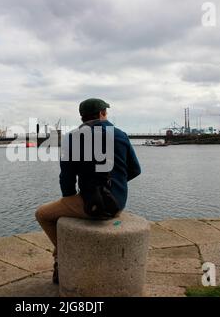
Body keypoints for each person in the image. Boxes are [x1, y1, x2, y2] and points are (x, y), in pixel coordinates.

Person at [35, 98, 141, 284]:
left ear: (82, 117)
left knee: (42, 214)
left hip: (88, 203)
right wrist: (115, 185)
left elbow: (67, 177)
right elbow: (135, 170)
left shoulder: (73, 138)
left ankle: (62, 256)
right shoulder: (120, 135)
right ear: (102, 113)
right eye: (105, 112)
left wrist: (69, 199)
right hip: (117, 203)